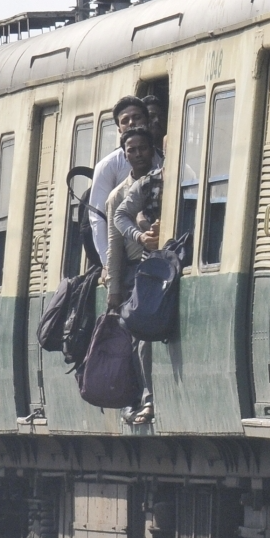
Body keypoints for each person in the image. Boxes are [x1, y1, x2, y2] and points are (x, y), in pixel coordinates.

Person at [104, 126, 164, 426]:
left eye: (143, 148)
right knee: (137, 337)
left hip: (163, 265)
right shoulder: (120, 195)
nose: (138, 154)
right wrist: (113, 289)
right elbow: (114, 246)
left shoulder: (166, 178)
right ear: (124, 155)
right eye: (132, 150)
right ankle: (141, 397)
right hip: (136, 271)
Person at [87, 96, 153, 270]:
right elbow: (98, 217)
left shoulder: (161, 159)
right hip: (127, 255)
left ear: (147, 120)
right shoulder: (108, 166)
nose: (132, 123)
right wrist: (107, 264)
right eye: (125, 120)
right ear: (118, 128)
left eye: (137, 117)